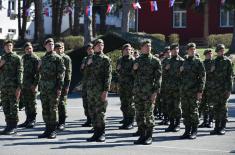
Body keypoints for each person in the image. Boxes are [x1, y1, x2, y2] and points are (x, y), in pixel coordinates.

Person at [133, 40, 162, 145]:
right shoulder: (137, 60)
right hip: (138, 92)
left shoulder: (155, 61)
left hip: (149, 92)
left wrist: (155, 92)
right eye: (146, 46)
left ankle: (149, 136)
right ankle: (142, 135)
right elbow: (133, 76)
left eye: (149, 46)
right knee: (139, 114)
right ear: (141, 48)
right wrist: (134, 69)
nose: (148, 47)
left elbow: (158, 78)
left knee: (149, 114)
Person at [38, 38, 65, 139]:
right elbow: (40, 73)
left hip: (53, 87)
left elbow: (61, 74)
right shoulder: (43, 58)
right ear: (45, 46)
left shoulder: (57, 58)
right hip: (44, 88)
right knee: (45, 108)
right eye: (48, 44)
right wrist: (39, 66)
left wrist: (59, 88)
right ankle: (47, 129)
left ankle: (53, 130)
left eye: (52, 44)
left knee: (53, 109)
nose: (50, 45)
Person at [86, 39, 112, 142]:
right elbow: (85, 74)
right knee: (92, 112)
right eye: (98, 45)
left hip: (100, 90)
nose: (100, 46)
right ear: (94, 47)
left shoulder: (105, 59)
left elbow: (108, 76)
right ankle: (96, 133)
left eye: (102, 45)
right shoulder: (90, 58)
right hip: (91, 90)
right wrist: (88, 64)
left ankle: (102, 133)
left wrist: (105, 91)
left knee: (100, 113)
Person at [180, 43, 206, 139]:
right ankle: (187, 131)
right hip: (184, 91)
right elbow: (179, 76)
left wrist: (200, 91)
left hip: (194, 91)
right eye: (190, 49)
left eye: (194, 49)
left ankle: (194, 131)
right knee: (186, 111)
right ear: (187, 50)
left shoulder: (198, 62)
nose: (192, 51)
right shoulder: (184, 61)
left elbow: (202, 77)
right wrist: (180, 71)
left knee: (194, 111)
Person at [0, 40, 23, 135]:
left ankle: (13, 127)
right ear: (4, 47)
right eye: (6, 46)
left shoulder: (17, 58)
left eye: (10, 45)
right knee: (5, 106)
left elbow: (20, 72)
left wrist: (19, 87)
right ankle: (8, 125)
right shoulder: (2, 58)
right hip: (4, 86)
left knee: (13, 106)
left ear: (12, 47)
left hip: (13, 87)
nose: (8, 47)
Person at [210, 44, 233, 135]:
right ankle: (216, 127)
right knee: (216, 108)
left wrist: (229, 90)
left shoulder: (227, 61)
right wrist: (211, 71)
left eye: (223, 50)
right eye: (220, 50)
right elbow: (210, 76)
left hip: (224, 89)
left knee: (223, 108)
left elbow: (230, 76)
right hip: (215, 89)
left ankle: (223, 127)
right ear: (217, 51)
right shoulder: (214, 62)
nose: (221, 52)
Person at [18, 42, 40, 128]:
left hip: (32, 85)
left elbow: (38, 74)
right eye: (27, 49)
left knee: (32, 103)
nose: (29, 50)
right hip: (24, 85)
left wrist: (35, 85)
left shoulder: (35, 59)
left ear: (32, 49)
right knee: (26, 103)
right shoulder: (23, 58)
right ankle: (27, 120)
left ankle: (33, 120)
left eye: (30, 48)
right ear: (25, 50)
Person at [164, 43, 184, 132]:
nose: (175, 51)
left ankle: (178, 124)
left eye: (177, 49)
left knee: (177, 107)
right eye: (173, 49)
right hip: (168, 88)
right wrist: (166, 69)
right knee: (169, 106)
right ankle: (171, 124)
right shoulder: (166, 61)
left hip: (178, 88)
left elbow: (186, 75)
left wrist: (181, 71)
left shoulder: (182, 61)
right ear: (170, 51)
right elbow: (161, 74)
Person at [116, 43, 135, 130]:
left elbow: (133, 73)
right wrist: (119, 70)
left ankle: (131, 122)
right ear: (122, 51)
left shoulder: (133, 60)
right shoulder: (120, 59)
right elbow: (118, 71)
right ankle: (125, 120)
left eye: (129, 49)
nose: (128, 51)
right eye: (126, 49)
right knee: (123, 104)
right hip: (122, 85)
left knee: (130, 104)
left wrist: (121, 70)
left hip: (130, 86)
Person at [54, 42, 72, 131]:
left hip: (63, 85)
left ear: (63, 48)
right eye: (57, 48)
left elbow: (68, 73)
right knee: (54, 104)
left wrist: (67, 86)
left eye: (60, 48)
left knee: (61, 104)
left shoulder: (66, 58)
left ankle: (62, 123)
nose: (59, 49)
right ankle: (55, 122)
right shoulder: (53, 58)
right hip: (53, 85)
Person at [198, 49, 214, 128]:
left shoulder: (214, 63)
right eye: (208, 54)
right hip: (204, 87)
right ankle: (205, 121)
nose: (210, 55)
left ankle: (210, 121)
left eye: (211, 53)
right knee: (203, 105)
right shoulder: (203, 63)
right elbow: (201, 75)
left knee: (211, 105)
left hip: (211, 87)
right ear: (205, 55)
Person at [80, 43, 94, 127]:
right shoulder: (85, 59)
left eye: (91, 48)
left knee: (92, 103)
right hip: (85, 84)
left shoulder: (95, 58)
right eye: (88, 49)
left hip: (93, 84)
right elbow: (82, 70)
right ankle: (88, 119)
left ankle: (93, 120)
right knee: (85, 102)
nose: (90, 50)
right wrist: (82, 67)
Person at [158, 46, 171, 126]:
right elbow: (159, 73)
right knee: (164, 103)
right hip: (164, 85)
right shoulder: (162, 62)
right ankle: (165, 118)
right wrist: (165, 69)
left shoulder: (174, 61)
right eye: (166, 52)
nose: (168, 53)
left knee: (171, 104)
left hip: (172, 86)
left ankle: (170, 119)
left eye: (169, 52)